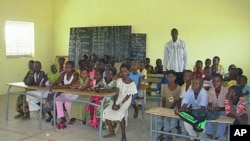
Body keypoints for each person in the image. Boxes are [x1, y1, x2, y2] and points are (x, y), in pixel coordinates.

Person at [102, 63, 137, 141]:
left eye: (125, 71)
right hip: (118, 99)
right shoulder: (119, 80)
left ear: (129, 71)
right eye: (121, 71)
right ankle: (112, 132)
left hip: (125, 101)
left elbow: (127, 97)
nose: (123, 73)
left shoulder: (132, 83)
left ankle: (123, 134)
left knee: (121, 114)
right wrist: (114, 103)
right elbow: (117, 94)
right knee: (105, 111)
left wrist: (119, 105)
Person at [53, 61, 79, 129]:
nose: (67, 69)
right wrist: (54, 85)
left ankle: (72, 117)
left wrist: (59, 87)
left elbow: (71, 85)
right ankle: (62, 118)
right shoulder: (64, 73)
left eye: (69, 67)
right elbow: (57, 82)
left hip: (74, 94)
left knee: (67, 103)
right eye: (66, 67)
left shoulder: (75, 74)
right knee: (57, 100)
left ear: (73, 68)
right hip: (66, 93)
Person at [158, 70, 181, 141]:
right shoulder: (164, 87)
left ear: (175, 77)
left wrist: (169, 110)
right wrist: (163, 109)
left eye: (172, 77)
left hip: (174, 107)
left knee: (171, 120)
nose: (170, 79)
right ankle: (166, 133)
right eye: (168, 77)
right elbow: (164, 99)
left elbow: (176, 101)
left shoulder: (178, 88)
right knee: (161, 119)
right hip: (166, 107)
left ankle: (166, 133)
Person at [205, 74, 228, 139]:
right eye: (214, 81)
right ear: (212, 82)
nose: (215, 83)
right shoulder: (211, 90)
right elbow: (210, 102)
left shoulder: (226, 91)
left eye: (218, 81)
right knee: (206, 113)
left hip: (223, 110)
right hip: (214, 109)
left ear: (222, 82)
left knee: (223, 118)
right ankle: (209, 132)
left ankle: (219, 135)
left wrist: (220, 108)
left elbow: (228, 106)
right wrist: (209, 106)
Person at [178, 70, 193, 134]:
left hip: (191, 108)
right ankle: (183, 129)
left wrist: (187, 109)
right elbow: (180, 99)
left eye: (187, 76)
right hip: (183, 108)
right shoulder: (182, 86)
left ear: (191, 77)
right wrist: (179, 108)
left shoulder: (194, 87)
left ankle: (190, 132)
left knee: (188, 118)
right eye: (184, 75)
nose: (184, 77)